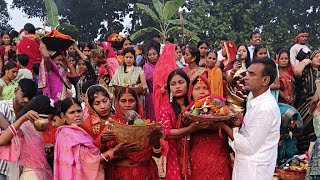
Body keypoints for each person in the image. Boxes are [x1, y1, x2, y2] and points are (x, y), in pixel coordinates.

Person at [221, 57, 281, 180]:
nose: (245, 77)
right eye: (247, 72)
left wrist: (224, 127)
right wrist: (237, 125)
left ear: (265, 80)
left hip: (254, 171)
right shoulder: (254, 99)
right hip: (246, 167)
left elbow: (248, 147)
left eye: (251, 74)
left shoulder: (266, 107)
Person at [183, 75, 232, 180]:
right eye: (197, 88)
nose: (201, 91)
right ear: (190, 92)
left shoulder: (218, 107)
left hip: (219, 160)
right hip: (197, 160)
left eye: (205, 88)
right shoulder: (188, 112)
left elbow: (233, 123)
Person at [160, 69, 205, 179]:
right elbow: (166, 133)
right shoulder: (166, 108)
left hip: (196, 153)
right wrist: (189, 129)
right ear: (169, 88)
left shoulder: (197, 106)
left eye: (181, 82)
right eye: (173, 84)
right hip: (175, 155)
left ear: (188, 84)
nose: (177, 87)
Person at [106, 87, 160, 180]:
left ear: (137, 103)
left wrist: (156, 143)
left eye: (131, 101)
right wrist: (117, 151)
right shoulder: (111, 124)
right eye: (123, 101)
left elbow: (157, 154)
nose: (127, 105)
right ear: (117, 103)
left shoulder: (145, 125)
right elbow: (101, 153)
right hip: (120, 174)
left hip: (144, 173)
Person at [0, 95, 54, 179]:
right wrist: (23, 118)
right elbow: (2, 140)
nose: (50, 123)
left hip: (42, 173)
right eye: (49, 119)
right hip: (30, 175)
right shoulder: (23, 126)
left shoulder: (36, 129)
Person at [0, 78, 37, 179]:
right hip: (1, 167)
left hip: (19, 169)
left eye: (29, 98)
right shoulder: (2, 107)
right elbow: (7, 134)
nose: (25, 100)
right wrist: (23, 118)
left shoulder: (30, 114)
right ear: (16, 90)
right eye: (23, 95)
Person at [294, 50, 320, 152]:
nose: (319, 58)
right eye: (316, 56)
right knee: (304, 130)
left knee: (315, 132)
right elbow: (296, 71)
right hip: (304, 105)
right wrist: (306, 61)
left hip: (317, 106)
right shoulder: (305, 71)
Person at [81, 85, 113, 151]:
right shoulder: (87, 125)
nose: (102, 106)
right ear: (90, 106)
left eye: (105, 101)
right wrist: (101, 140)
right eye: (97, 103)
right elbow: (89, 151)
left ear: (110, 100)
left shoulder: (118, 116)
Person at [153, 44, 178, 122]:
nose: (178, 55)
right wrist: (164, 87)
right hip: (164, 99)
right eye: (176, 52)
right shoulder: (159, 69)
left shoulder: (177, 67)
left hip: (177, 99)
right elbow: (156, 90)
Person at [225, 44, 251, 114]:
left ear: (247, 54)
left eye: (244, 51)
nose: (241, 52)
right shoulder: (231, 66)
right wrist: (233, 70)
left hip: (246, 98)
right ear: (236, 54)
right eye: (239, 51)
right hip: (232, 99)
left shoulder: (251, 67)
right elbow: (228, 81)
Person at [143, 45, 159, 122]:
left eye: (154, 54)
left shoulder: (163, 65)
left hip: (163, 95)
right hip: (151, 97)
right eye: (149, 55)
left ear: (158, 54)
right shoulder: (145, 67)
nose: (152, 56)